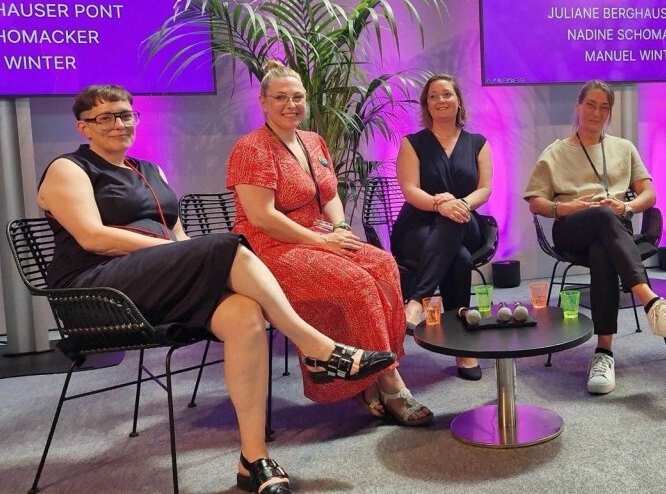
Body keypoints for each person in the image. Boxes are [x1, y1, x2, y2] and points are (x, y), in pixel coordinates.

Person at [38, 84, 398, 494]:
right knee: (227, 245)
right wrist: (179, 252)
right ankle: (318, 348)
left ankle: (253, 458)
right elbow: (92, 237)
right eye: (106, 117)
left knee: (245, 313)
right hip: (97, 290)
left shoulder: (150, 170)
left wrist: (185, 254)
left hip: (154, 283)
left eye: (126, 115)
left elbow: (179, 233)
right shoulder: (70, 168)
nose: (120, 124)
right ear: (83, 126)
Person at [226, 60, 433, 427]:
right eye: (280, 98)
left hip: (319, 233)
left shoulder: (313, 141)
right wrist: (325, 243)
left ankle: (369, 373)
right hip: (269, 246)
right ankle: (389, 380)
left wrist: (338, 227)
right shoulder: (251, 148)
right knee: (356, 283)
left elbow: (330, 195)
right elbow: (262, 217)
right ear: (262, 101)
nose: (291, 105)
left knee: (383, 265)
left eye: (298, 97)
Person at [523, 79, 666, 395]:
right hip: (571, 228)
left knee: (604, 248)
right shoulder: (556, 152)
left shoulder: (623, 148)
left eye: (604, 107)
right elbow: (536, 202)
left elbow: (649, 194)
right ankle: (651, 302)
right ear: (578, 105)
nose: (596, 112)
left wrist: (626, 205)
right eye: (591, 104)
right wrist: (566, 206)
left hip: (614, 230)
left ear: (610, 113)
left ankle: (603, 353)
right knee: (601, 216)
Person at [391, 74, 493, 381]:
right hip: (418, 227)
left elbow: (485, 189)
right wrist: (439, 204)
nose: (441, 100)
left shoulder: (478, 143)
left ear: (458, 100)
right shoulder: (413, 143)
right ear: (427, 105)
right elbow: (410, 190)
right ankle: (463, 349)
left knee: (454, 221)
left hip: (466, 220)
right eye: (433, 96)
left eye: (447, 94)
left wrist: (458, 204)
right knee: (459, 260)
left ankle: (418, 301)